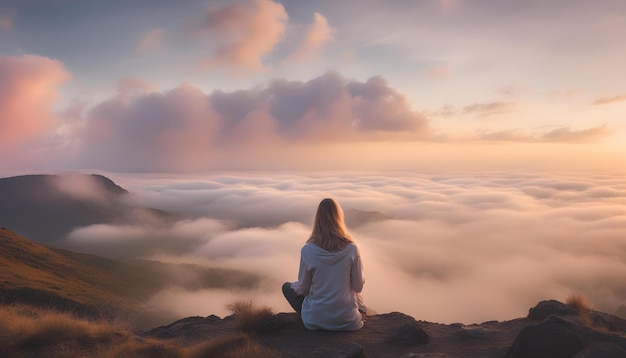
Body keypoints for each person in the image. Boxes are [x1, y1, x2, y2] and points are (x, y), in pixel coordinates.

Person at [282, 198, 366, 331]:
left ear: (318, 220)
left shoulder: (307, 250)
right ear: (339, 218)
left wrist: (295, 285)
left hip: (315, 320)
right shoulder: (352, 249)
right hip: (347, 320)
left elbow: (303, 289)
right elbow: (358, 287)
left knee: (286, 287)